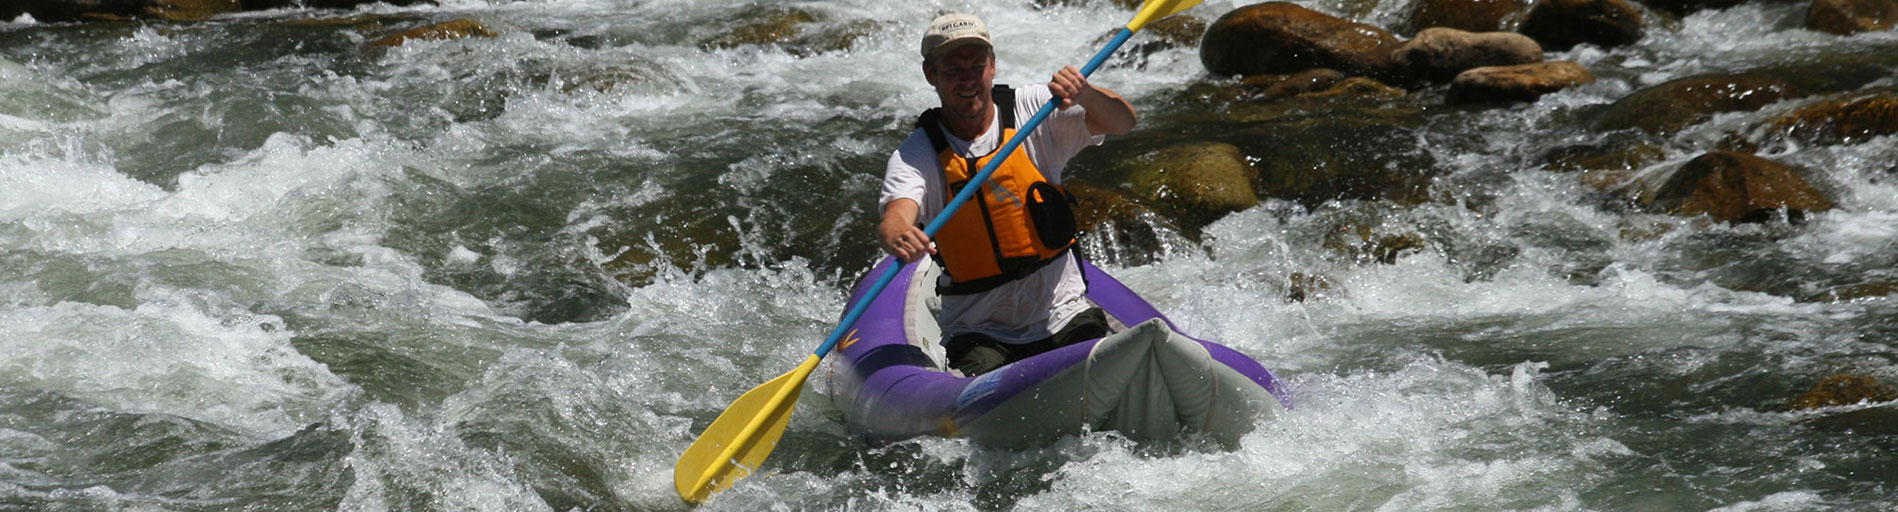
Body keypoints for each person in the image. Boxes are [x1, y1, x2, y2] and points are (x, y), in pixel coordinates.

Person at [877, 12, 1137, 377]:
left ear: (993, 67)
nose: (968, 80)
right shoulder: (917, 153)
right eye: (953, 70)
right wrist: (900, 233)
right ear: (931, 75)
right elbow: (896, 215)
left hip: (1063, 312)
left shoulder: (1035, 108)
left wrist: (1087, 94)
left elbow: (1122, 122)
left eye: (976, 67)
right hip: (980, 331)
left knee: (1109, 372)